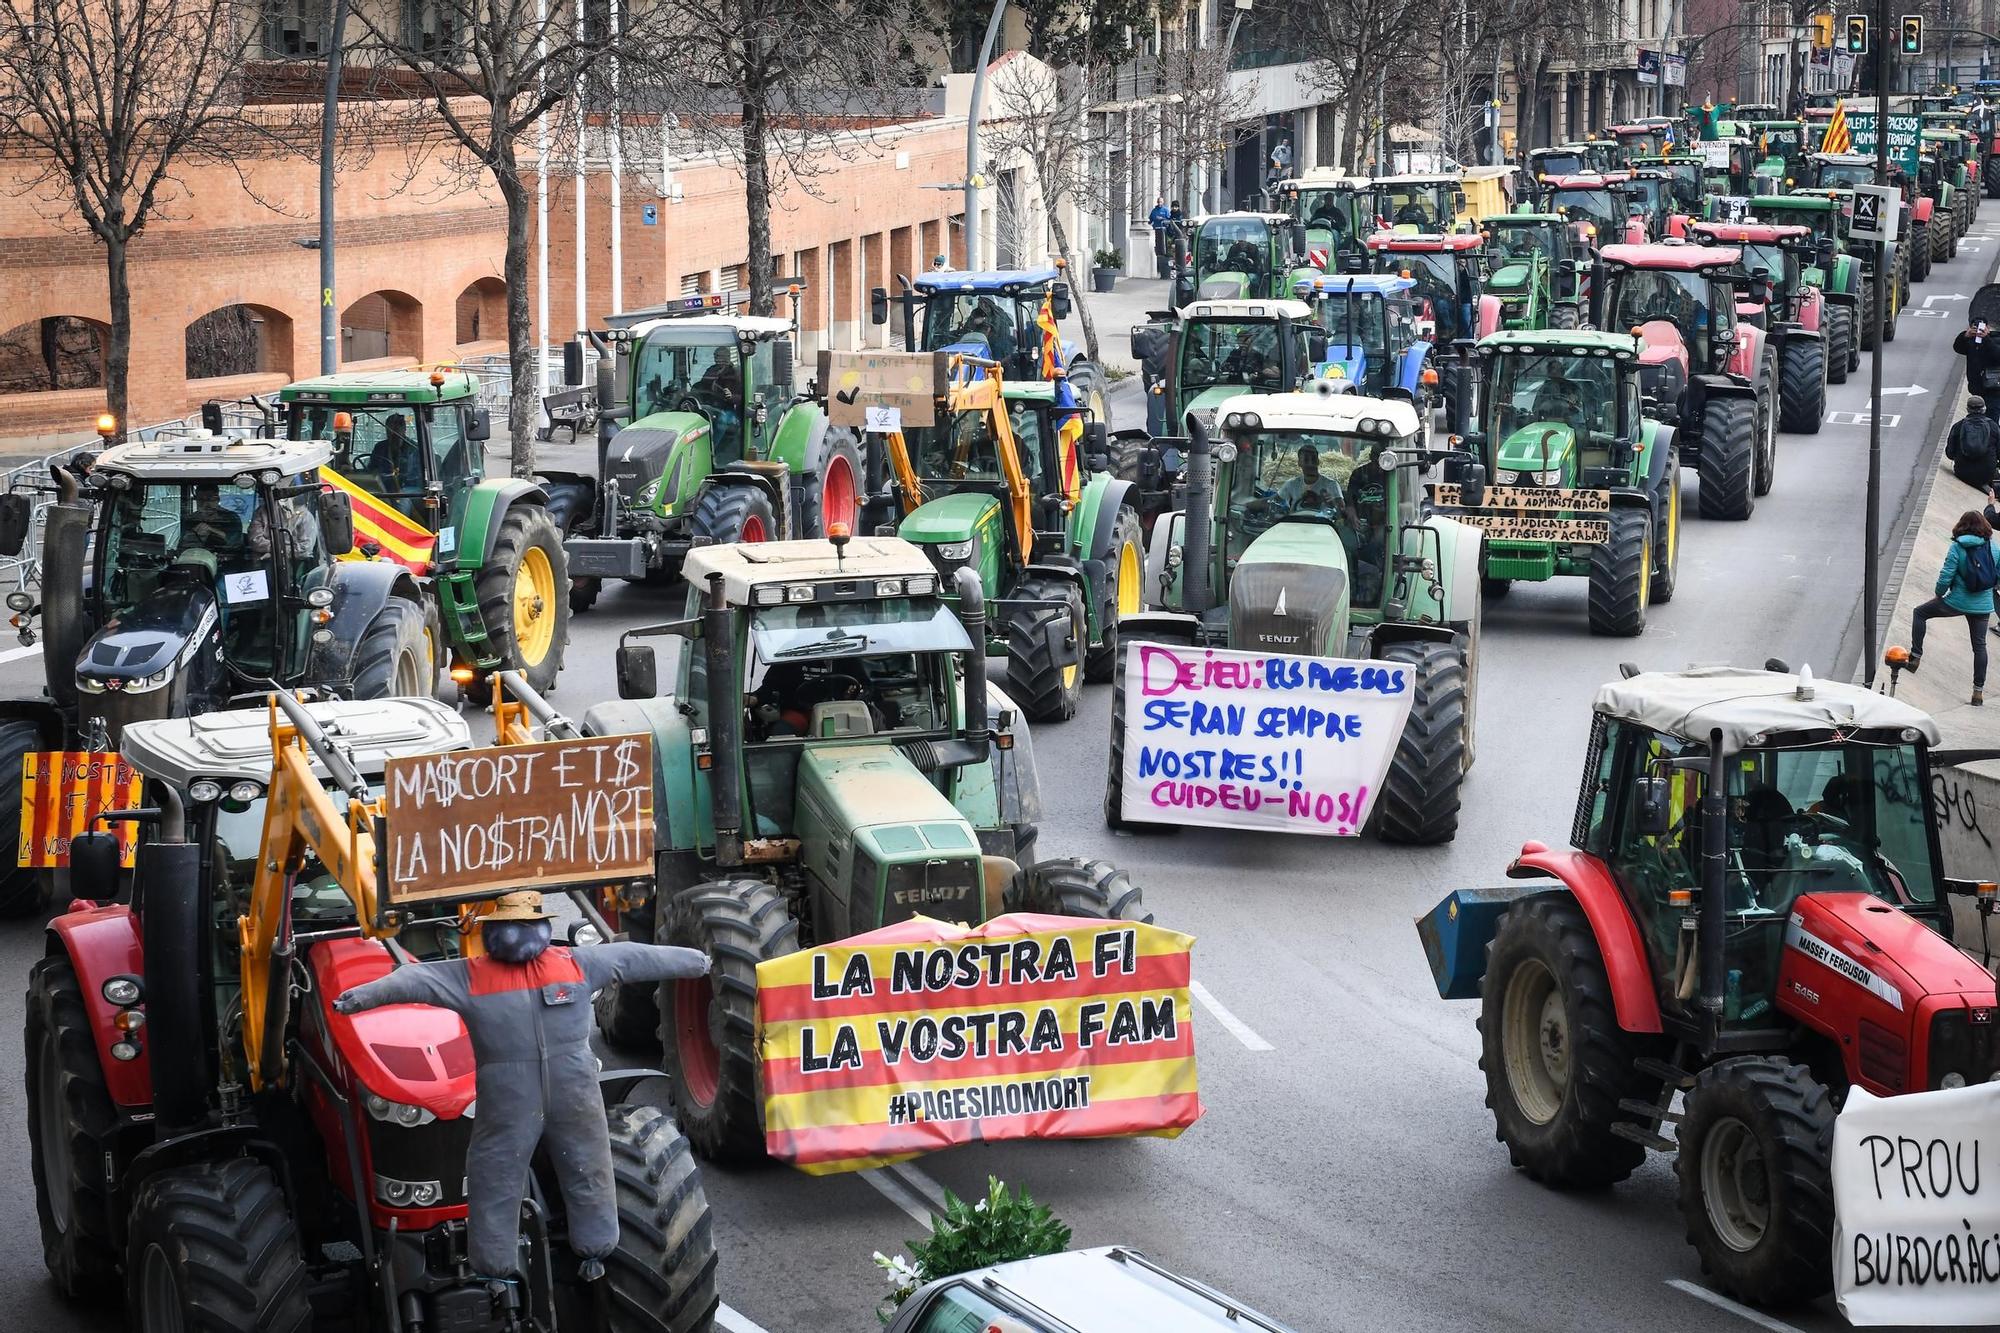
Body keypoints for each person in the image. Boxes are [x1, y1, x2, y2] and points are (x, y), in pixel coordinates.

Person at [334, 892, 710, 1281]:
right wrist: (360, 997)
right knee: (547, 1170)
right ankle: (527, 1262)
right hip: (554, 1096)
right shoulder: (556, 966)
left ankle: (531, 1261)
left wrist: (695, 962)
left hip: (524, 1100)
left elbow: (634, 957)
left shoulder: (489, 973)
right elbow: (632, 957)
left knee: (524, 1172)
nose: (517, 933)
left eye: (523, 924)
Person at [1907, 510, 2000, 705]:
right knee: (1980, 646)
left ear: (1961, 526)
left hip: (1956, 602)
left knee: (1920, 612)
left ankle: (1915, 657)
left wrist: (1939, 593)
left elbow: (1946, 575)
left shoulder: (1957, 547)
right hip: (1983, 606)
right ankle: (1977, 693)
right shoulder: (1993, 546)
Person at [1947, 396, 2000, 491]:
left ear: (1967, 409)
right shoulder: (1994, 427)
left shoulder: (1958, 426)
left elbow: (1949, 453)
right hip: (1986, 474)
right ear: (1984, 409)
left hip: (1962, 472)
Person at [1954, 320, 2000, 403]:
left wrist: (1986, 338)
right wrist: (1965, 335)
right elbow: (1958, 348)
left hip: (1993, 387)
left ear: (1987, 327)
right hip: (1976, 388)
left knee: (1991, 414)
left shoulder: (1995, 338)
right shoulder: (1970, 341)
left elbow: (1997, 355)